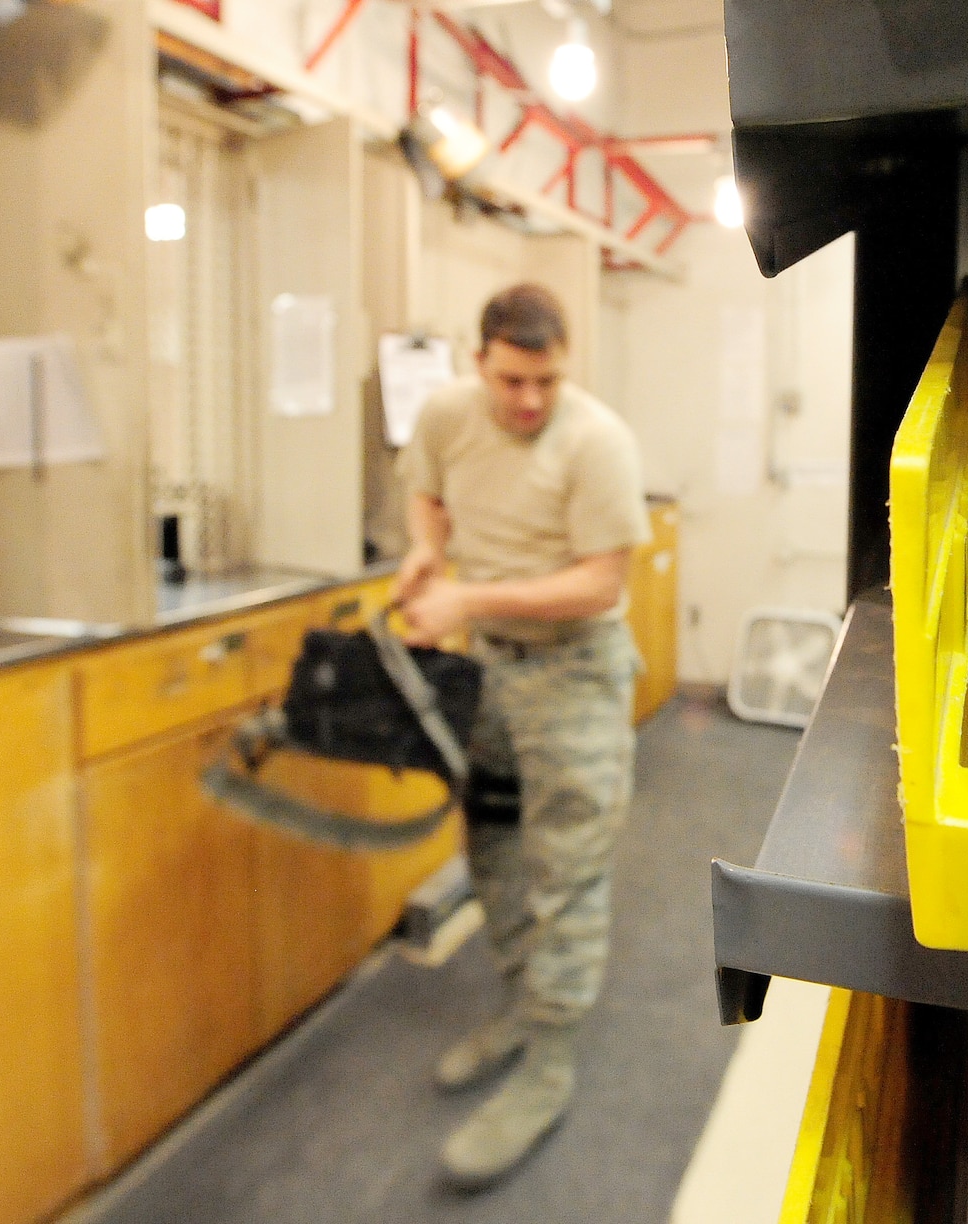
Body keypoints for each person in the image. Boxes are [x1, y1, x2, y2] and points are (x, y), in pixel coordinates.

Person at [393, 282, 648, 1190]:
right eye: (511, 380)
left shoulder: (597, 440)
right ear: (480, 361)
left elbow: (597, 585)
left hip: (575, 673)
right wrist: (429, 552)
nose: (528, 400)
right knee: (494, 844)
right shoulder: (448, 415)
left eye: (545, 379)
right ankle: (518, 1008)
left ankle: (550, 1060)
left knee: (567, 868)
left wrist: (466, 596)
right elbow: (426, 493)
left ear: (564, 363)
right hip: (489, 674)